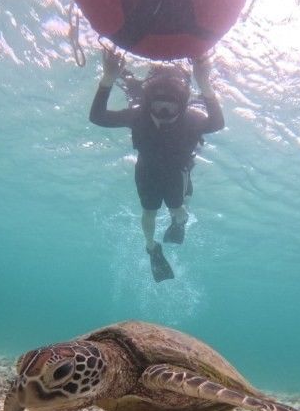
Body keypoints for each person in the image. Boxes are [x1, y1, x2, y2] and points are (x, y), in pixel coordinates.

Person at [89, 48, 225, 282]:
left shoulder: (191, 119)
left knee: (178, 209)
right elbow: (98, 117)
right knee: (149, 213)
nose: (163, 112)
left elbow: (217, 123)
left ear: (182, 106)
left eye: (170, 106)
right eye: (157, 105)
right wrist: (108, 79)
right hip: (147, 171)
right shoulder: (137, 115)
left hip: (178, 170)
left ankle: (178, 220)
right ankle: (152, 248)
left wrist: (204, 84)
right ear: (147, 103)